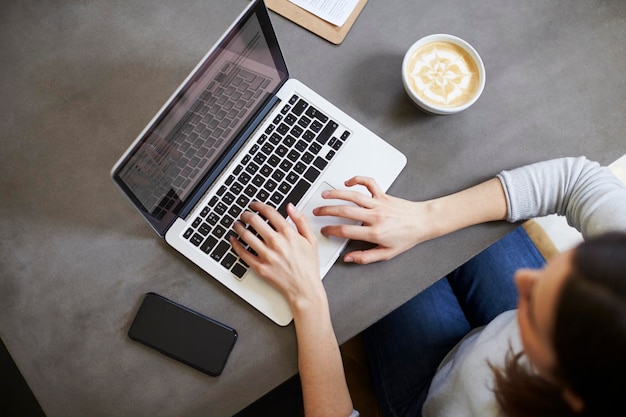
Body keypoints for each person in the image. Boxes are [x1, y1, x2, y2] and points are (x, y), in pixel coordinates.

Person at [230, 156, 626, 417]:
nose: (523, 279)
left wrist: (307, 298)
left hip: (433, 395)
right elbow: (579, 180)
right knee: (415, 202)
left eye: (543, 320)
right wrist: (426, 219)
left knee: (355, 266)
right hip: (486, 344)